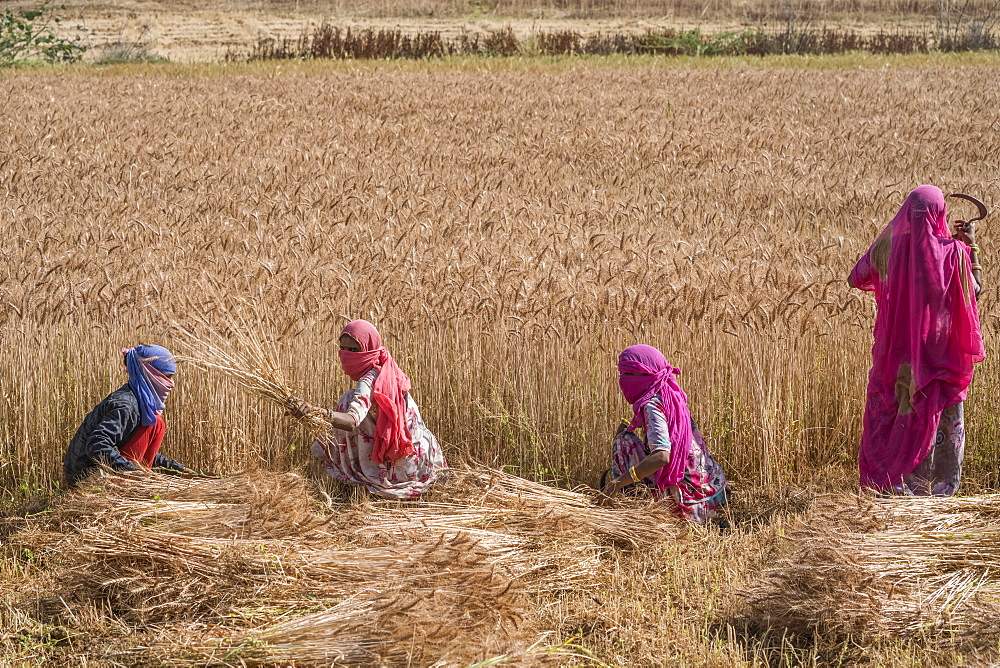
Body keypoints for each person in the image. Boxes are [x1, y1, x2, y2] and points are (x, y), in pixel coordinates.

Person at [849, 185, 984, 495]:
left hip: (896, 359)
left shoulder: (887, 249)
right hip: (939, 359)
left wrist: (887, 247)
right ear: (940, 214)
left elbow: (856, 277)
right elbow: (975, 291)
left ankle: (890, 488)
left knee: (895, 418)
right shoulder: (953, 253)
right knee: (939, 422)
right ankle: (935, 491)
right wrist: (971, 246)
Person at [288, 320, 447, 500]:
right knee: (351, 400)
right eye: (343, 349)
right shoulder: (388, 369)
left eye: (354, 350)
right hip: (422, 460)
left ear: (368, 348)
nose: (347, 355)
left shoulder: (369, 381)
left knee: (346, 401)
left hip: (396, 471)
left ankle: (367, 474)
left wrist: (316, 411)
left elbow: (351, 421)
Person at [600, 344, 729, 525]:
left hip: (690, 503)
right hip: (714, 490)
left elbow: (662, 456)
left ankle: (632, 505)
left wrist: (617, 482)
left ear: (644, 376)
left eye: (627, 374)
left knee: (624, 442)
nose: (622, 380)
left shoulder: (652, 405)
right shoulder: (671, 394)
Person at [64, 345, 198, 488]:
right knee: (157, 424)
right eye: (166, 377)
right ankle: (127, 488)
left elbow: (138, 452)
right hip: (86, 477)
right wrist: (134, 473)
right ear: (150, 374)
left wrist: (182, 471)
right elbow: (97, 444)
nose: (171, 384)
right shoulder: (126, 405)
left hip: (98, 472)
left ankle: (133, 485)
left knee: (156, 423)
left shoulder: (139, 402)